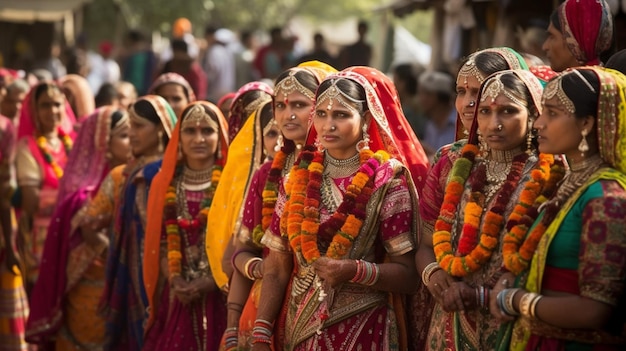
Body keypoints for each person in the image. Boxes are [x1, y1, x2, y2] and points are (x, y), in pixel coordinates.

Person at [251, 66, 428, 351]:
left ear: (366, 119)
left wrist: (353, 270)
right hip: (299, 329)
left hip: (365, 326)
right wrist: (261, 333)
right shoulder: (297, 177)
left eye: (341, 115)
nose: (328, 125)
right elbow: (276, 266)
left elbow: (408, 276)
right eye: (321, 114)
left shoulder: (386, 180)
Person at [490, 67, 626, 351]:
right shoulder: (570, 181)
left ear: (587, 123)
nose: (538, 124)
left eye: (552, 113)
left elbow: (594, 310)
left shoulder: (607, 198)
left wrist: (514, 300)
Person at [420, 69, 544, 350]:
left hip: (509, 320)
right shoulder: (459, 169)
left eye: (508, 111)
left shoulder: (547, 177)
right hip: (450, 318)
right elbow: (427, 242)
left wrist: (481, 295)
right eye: (485, 112)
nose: (494, 123)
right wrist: (436, 276)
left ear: (534, 115)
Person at [222, 62, 336, 351]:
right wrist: (258, 267)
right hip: (266, 301)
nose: (288, 115)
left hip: (330, 300)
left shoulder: (339, 168)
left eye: (299, 104)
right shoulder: (267, 173)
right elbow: (240, 249)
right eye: (281, 106)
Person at [25, 107, 130, 350]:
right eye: (124, 135)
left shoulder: (131, 178)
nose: (133, 139)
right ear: (103, 142)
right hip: (90, 298)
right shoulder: (83, 197)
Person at [142, 102, 229, 350]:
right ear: (178, 137)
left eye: (207, 131)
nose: (199, 139)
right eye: (190, 131)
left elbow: (239, 241)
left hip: (222, 292)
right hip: (177, 294)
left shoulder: (231, 183)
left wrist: (211, 282)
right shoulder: (166, 183)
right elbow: (159, 241)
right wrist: (175, 279)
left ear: (220, 135)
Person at [100, 95, 177, 351]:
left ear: (161, 129)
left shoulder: (160, 172)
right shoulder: (134, 170)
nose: (131, 134)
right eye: (129, 127)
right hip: (135, 270)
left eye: (139, 126)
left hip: (158, 274)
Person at [14, 81, 77, 292]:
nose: (53, 111)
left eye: (57, 104)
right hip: (42, 237)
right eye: (45, 105)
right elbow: (32, 202)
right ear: (34, 110)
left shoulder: (74, 143)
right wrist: (73, 201)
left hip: (74, 235)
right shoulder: (27, 147)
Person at [542, 0, 613, 72]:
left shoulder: (569, 82)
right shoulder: (614, 80)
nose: (545, 47)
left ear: (575, 42)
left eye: (552, 37)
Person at [417, 70, 456, 157]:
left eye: (427, 94)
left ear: (441, 97)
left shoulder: (460, 123)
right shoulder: (430, 125)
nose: (421, 99)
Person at [203, 26, 236, 102]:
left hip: (215, 93)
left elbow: (212, 72)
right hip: (227, 91)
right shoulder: (228, 52)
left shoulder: (214, 51)